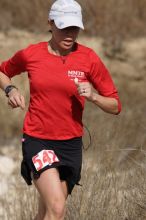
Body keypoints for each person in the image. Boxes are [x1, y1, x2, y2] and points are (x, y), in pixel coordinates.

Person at [0, 0, 121, 219]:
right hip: (38, 140)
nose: (69, 34)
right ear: (50, 23)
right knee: (57, 208)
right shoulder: (31, 54)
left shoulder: (88, 58)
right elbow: (2, 71)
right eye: (64, 27)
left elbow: (115, 105)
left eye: (74, 28)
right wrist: (10, 90)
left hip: (71, 144)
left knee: (47, 211)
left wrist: (93, 96)